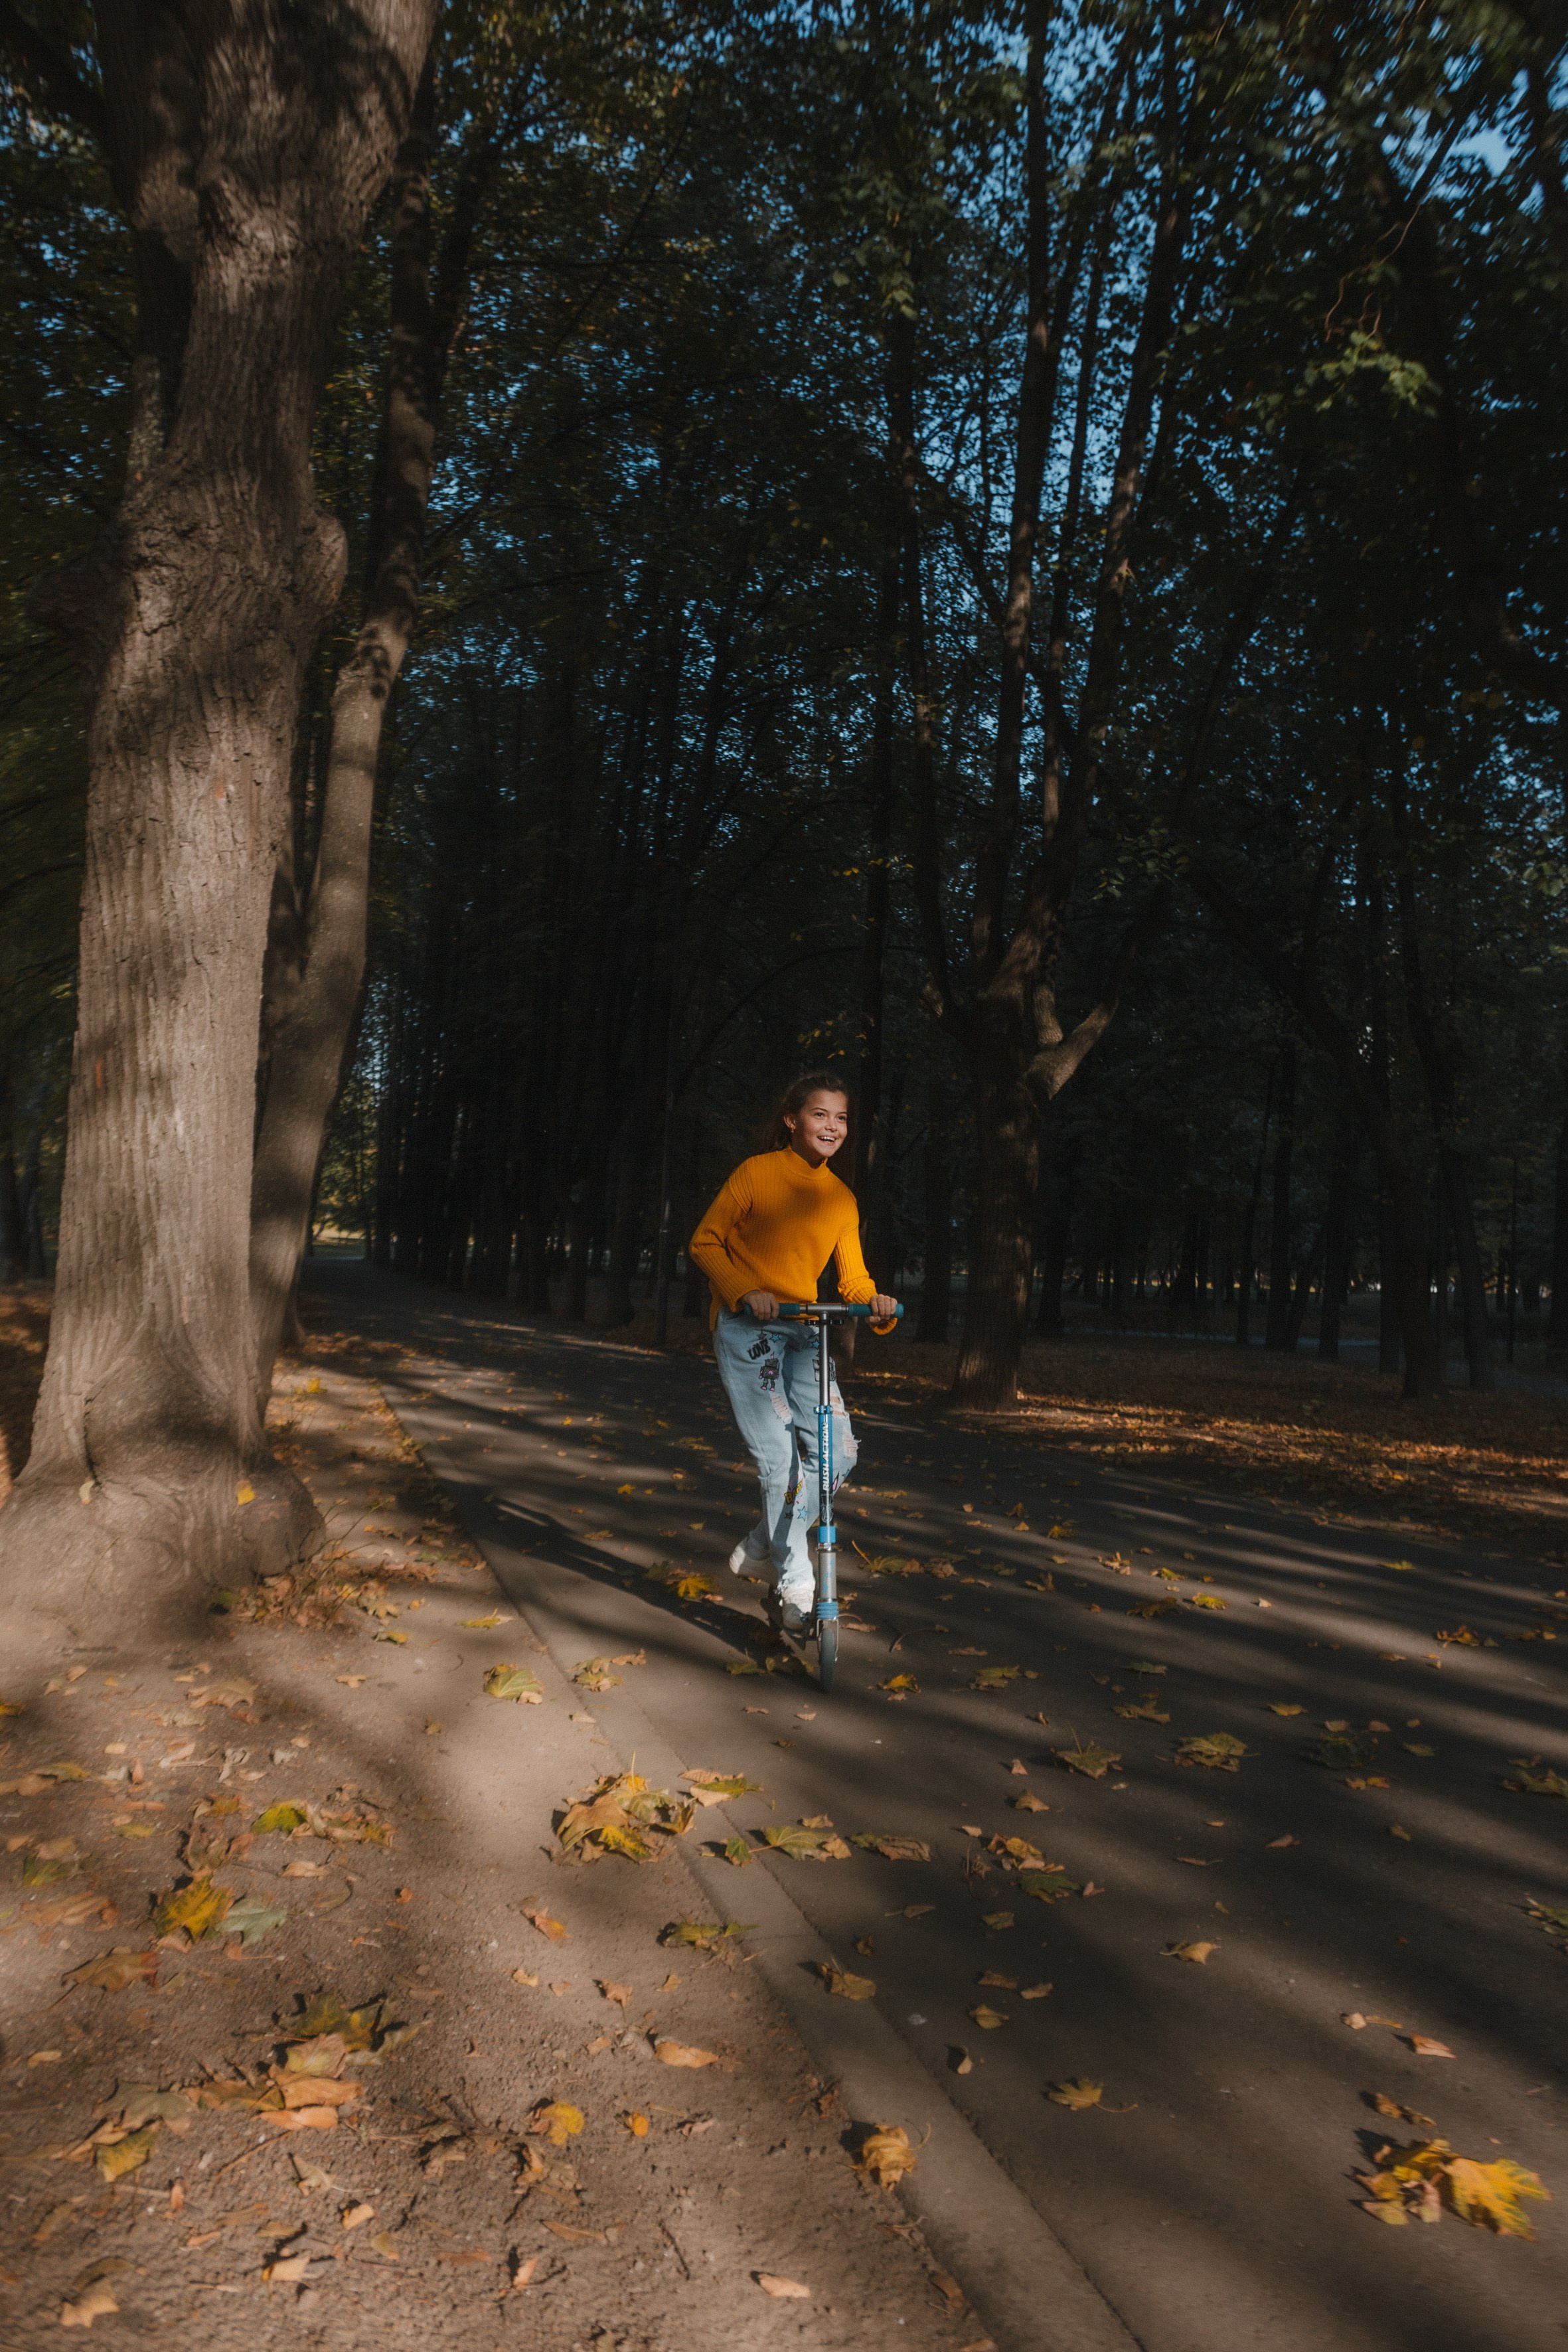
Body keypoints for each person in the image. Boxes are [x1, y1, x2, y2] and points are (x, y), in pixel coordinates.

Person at [687, 1073, 898, 1633]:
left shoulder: (841, 1198)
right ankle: (798, 1587)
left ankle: (764, 1540)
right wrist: (743, 1290)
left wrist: (876, 1303)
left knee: (840, 1453)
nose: (832, 1126)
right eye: (820, 1114)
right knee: (781, 1462)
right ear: (792, 1119)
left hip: (804, 1332)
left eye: (841, 1118)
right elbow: (704, 1241)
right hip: (748, 1328)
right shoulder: (755, 1174)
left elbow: (853, 1281)